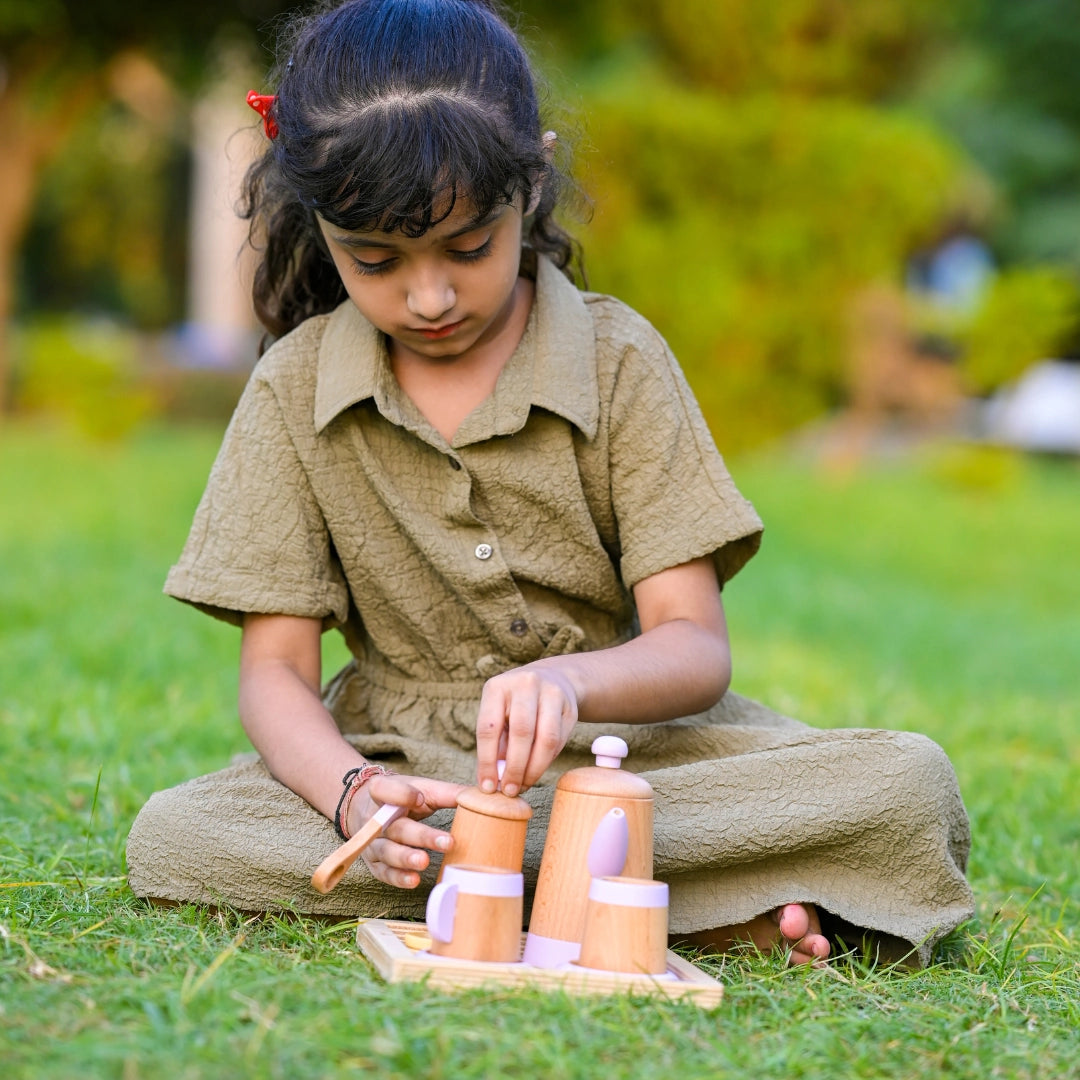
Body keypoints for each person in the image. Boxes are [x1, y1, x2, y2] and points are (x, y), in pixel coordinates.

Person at [126, 0, 974, 968]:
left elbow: (693, 647)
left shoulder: (619, 359)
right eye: (376, 261)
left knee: (908, 786)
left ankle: (546, 880)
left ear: (532, 183)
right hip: (410, 773)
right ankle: (631, 897)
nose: (431, 297)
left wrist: (571, 684)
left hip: (631, 758)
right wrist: (353, 796)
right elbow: (276, 676)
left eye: (468, 248)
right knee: (176, 833)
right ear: (318, 223)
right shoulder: (292, 386)